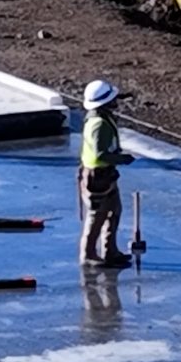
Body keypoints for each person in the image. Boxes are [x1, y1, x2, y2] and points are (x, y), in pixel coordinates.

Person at [79, 79, 136, 268]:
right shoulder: (98, 124)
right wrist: (121, 159)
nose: (116, 101)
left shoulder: (100, 117)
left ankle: (110, 251)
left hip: (105, 174)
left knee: (114, 211)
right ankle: (88, 254)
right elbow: (100, 154)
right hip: (98, 176)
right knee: (97, 216)